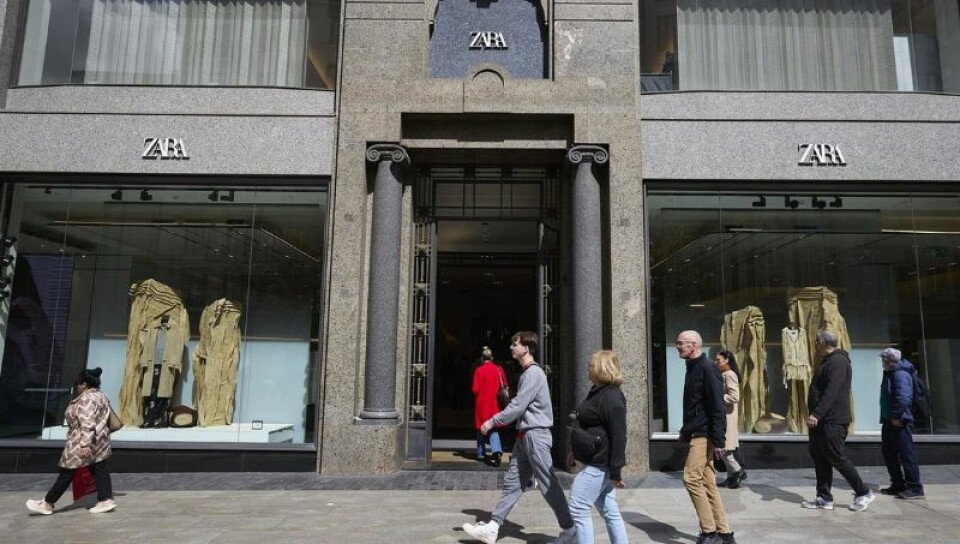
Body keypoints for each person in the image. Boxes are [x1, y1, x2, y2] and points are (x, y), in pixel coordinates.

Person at [462, 331, 576, 544]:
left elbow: (517, 406)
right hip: (525, 437)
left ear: (526, 348)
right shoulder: (527, 373)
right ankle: (493, 527)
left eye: (515, 344)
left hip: (535, 436)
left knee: (548, 484)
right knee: (513, 483)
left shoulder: (533, 374)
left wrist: (492, 421)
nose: (511, 347)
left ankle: (570, 529)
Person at [26, 368, 117, 515]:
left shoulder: (86, 399)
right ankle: (106, 500)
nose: (76, 386)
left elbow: (87, 422)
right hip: (99, 440)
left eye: (78, 383)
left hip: (81, 441)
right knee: (99, 469)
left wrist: (85, 444)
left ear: (84, 384)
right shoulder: (101, 395)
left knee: (67, 472)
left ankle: (47, 503)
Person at [802, 330, 875, 512]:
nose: (814, 345)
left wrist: (817, 414)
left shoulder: (838, 362)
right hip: (822, 421)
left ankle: (864, 492)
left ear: (820, 342)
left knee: (835, 457)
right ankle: (824, 498)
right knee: (820, 458)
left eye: (815, 341)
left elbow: (831, 391)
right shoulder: (828, 361)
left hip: (832, 420)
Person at [675, 331, 735, 544]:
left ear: (693, 345)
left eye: (681, 343)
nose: (678, 347)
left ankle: (709, 532)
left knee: (691, 479)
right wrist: (685, 431)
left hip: (704, 435)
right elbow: (695, 406)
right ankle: (724, 534)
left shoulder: (708, 367)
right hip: (696, 432)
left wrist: (719, 441)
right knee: (708, 483)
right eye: (677, 343)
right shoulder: (692, 366)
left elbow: (717, 407)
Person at [568, 350, 629, 544]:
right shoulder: (597, 391)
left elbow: (619, 436)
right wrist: (573, 451)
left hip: (599, 464)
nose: (588, 368)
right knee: (610, 512)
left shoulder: (611, 397)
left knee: (578, 508)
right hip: (595, 462)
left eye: (591, 365)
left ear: (602, 368)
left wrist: (616, 471)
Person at [878, 347, 925, 499]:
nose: (882, 362)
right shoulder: (892, 372)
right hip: (890, 420)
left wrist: (896, 416)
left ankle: (915, 488)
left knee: (906, 454)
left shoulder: (900, 374)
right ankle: (898, 484)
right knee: (889, 452)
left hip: (900, 420)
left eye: (883, 359)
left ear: (887, 360)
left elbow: (904, 397)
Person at [714, 350, 746, 489]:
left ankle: (738, 471)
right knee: (725, 449)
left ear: (727, 360)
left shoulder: (730, 375)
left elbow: (734, 397)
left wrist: (717, 397)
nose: (716, 362)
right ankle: (731, 477)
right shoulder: (723, 374)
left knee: (724, 449)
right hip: (723, 415)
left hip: (727, 416)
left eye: (718, 360)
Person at [473, 346, 507, 467]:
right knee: (493, 427)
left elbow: (475, 389)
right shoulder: (498, 369)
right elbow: (505, 384)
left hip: (481, 404)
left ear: (482, 358)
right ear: (492, 358)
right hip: (494, 403)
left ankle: (481, 454)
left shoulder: (478, 370)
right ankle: (496, 451)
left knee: (480, 428)